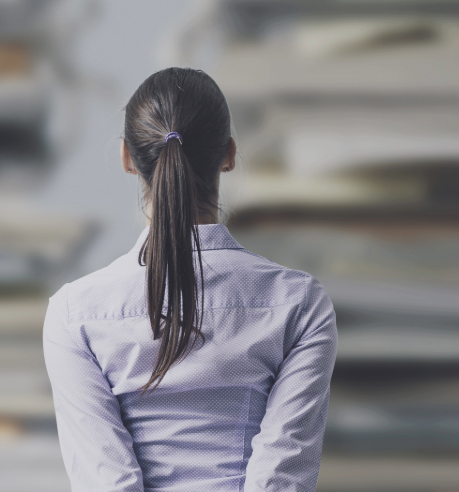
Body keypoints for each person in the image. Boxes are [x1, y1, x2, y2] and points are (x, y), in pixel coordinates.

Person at [44, 68, 336, 492]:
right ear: (229, 154)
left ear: (127, 158)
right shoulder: (301, 304)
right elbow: (280, 479)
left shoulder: (74, 314)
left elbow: (106, 482)